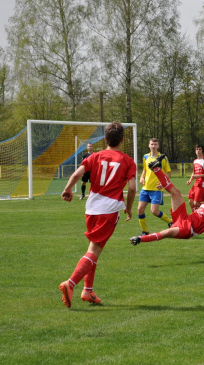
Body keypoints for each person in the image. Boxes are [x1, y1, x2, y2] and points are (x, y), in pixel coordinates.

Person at [59, 122, 137, 308]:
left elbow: (78, 174)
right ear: (123, 140)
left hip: (91, 208)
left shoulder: (95, 156)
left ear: (105, 139)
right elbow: (133, 187)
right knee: (95, 251)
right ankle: (70, 284)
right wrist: (129, 206)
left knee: (92, 249)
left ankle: (88, 290)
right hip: (109, 210)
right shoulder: (127, 160)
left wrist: (67, 189)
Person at [129, 154, 204, 245]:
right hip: (184, 218)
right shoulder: (203, 205)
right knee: (176, 192)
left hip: (188, 228)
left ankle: (140, 239)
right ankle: (155, 168)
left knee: (166, 233)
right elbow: (194, 208)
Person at [137, 138, 173, 235]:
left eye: (155, 144)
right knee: (140, 209)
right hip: (145, 188)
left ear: (158, 146)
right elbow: (144, 169)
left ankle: (170, 222)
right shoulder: (145, 157)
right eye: (152, 144)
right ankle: (145, 231)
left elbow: (169, 173)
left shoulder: (163, 158)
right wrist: (141, 177)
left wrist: (163, 183)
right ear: (149, 145)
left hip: (157, 189)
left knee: (154, 211)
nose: (153, 146)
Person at [186, 144, 204, 211]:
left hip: (202, 183)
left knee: (196, 203)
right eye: (197, 149)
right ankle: (196, 215)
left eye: (200, 149)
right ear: (195, 151)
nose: (198, 151)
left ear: (202, 151)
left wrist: (199, 176)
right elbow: (194, 172)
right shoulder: (195, 161)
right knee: (190, 201)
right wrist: (190, 180)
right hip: (196, 183)